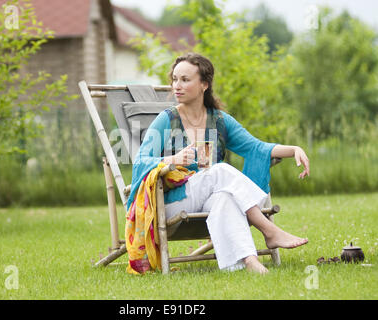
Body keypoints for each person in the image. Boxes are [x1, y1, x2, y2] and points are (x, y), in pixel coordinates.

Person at [127, 53, 309, 274]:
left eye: (185, 80)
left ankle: (251, 262)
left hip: (204, 196)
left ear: (204, 84)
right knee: (220, 171)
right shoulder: (167, 119)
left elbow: (255, 147)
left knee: (225, 197)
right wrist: (171, 160)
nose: (177, 86)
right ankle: (268, 230)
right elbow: (141, 161)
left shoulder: (219, 120)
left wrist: (294, 150)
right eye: (175, 79)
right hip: (171, 199)